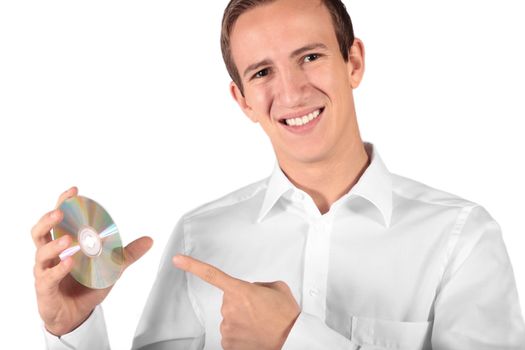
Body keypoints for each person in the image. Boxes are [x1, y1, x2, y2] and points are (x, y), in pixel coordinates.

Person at [32, 0, 525, 349]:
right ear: (242, 99)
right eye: (262, 73)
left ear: (353, 62)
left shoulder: (462, 239)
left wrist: (296, 339)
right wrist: (74, 330)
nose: (290, 94)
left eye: (309, 57)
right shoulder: (200, 236)